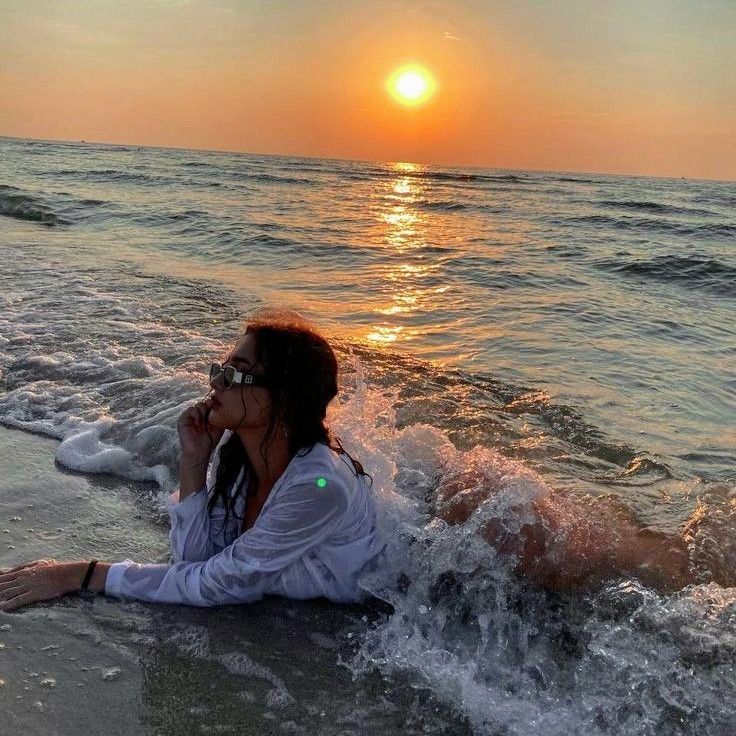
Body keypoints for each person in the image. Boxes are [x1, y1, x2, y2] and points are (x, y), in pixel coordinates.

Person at [0, 310, 384, 611]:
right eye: (222, 368)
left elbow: (218, 585)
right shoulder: (243, 460)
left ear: (284, 398)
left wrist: (85, 575)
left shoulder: (318, 486)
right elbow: (194, 559)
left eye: (237, 374)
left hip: (381, 603)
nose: (217, 382)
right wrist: (195, 462)